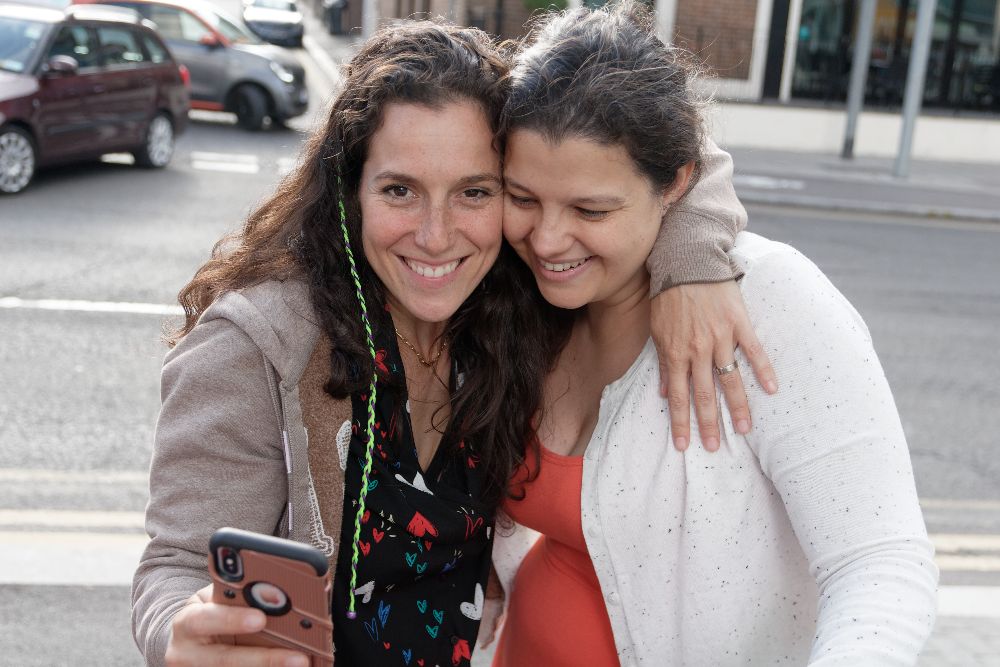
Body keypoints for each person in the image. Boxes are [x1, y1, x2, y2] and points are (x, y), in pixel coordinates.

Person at [131, 17, 767, 667]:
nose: (436, 236)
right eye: (399, 190)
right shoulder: (260, 344)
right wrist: (178, 631)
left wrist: (691, 261)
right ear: (351, 190)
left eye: (474, 192)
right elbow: (177, 567)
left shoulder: (510, 307)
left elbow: (662, 150)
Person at [490, 3, 939, 666]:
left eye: (591, 209)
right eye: (522, 198)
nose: (547, 239)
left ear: (677, 183)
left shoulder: (768, 300)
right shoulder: (517, 299)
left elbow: (881, 563)